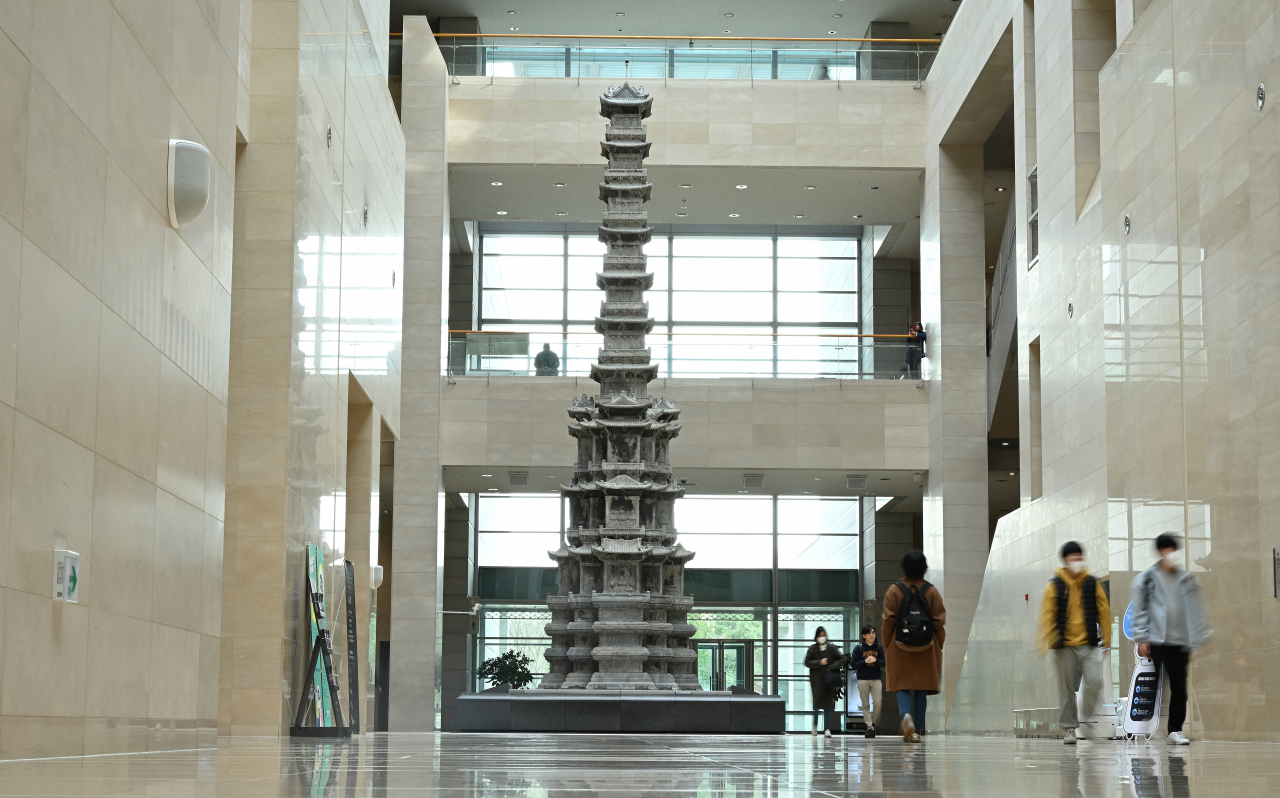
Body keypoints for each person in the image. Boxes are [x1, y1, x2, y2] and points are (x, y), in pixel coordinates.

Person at [1130, 533, 1211, 745]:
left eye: (1174, 550)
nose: (1171, 554)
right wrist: (1141, 637)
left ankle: (1174, 730)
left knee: (1179, 687)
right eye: (1167, 550)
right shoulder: (1147, 579)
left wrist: (1199, 639)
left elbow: (1195, 610)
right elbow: (1140, 609)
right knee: (1152, 684)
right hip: (1156, 640)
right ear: (1159, 552)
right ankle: (1143, 725)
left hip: (1179, 642)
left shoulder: (1186, 579)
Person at [1038, 541, 1111, 745]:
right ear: (1065, 560)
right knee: (1066, 689)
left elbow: (1104, 610)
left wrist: (1107, 639)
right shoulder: (1055, 584)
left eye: (1079, 557)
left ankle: (1087, 716)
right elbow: (1047, 614)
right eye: (1073, 557)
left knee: (1096, 681)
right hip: (1063, 645)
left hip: (1089, 643)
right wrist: (1046, 641)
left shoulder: (1091, 582)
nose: (1077, 561)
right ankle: (1069, 729)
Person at [882, 549, 946, 743]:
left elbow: (888, 621)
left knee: (901, 685)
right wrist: (938, 645)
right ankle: (917, 730)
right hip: (927, 647)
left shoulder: (894, 590)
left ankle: (905, 717)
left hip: (900, 645)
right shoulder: (932, 591)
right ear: (924, 568)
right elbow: (939, 622)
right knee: (920, 689)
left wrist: (887, 645)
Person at [804, 626, 845, 738]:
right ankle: (815, 726)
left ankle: (827, 728)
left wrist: (831, 667)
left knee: (828, 705)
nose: (822, 637)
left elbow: (841, 659)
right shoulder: (812, 648)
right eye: (820, 635)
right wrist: (819, 662)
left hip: (829, 680)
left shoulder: (831, 648)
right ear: (816, 637)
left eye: (823, 635)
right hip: (816, 681)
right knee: (817, 704)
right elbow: (807, 662)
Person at [851, 624, 886, 736]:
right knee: (865, 704)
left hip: (876, 679)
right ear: (864, 635)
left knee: (878, 702)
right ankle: (869, 727)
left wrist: (875, 660)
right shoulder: (858, 648)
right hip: (862, 679)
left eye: (873, 632)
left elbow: (885, 663)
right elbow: (853, 664)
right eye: (870, 633)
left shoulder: (880, 648)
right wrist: (865, 662)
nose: (872, 635)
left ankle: (874, 723)